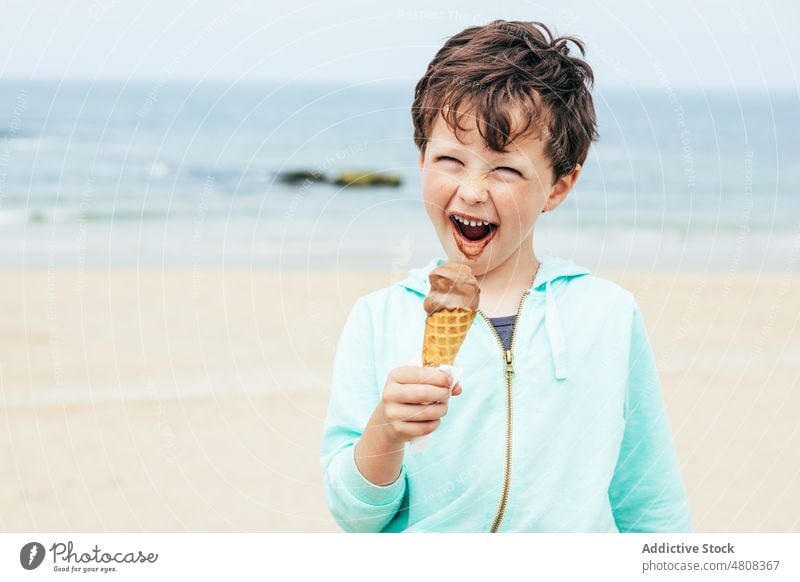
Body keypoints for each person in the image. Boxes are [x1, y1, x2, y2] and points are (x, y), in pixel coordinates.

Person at [319, 19, 693, 532]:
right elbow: (355, 516)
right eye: (451, 159)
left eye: (506, 169)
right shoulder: (378, 319)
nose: (472, 191)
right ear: (422, 157)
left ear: (559, 187)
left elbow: (650, 499)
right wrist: (385, 433)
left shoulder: (608, 314)